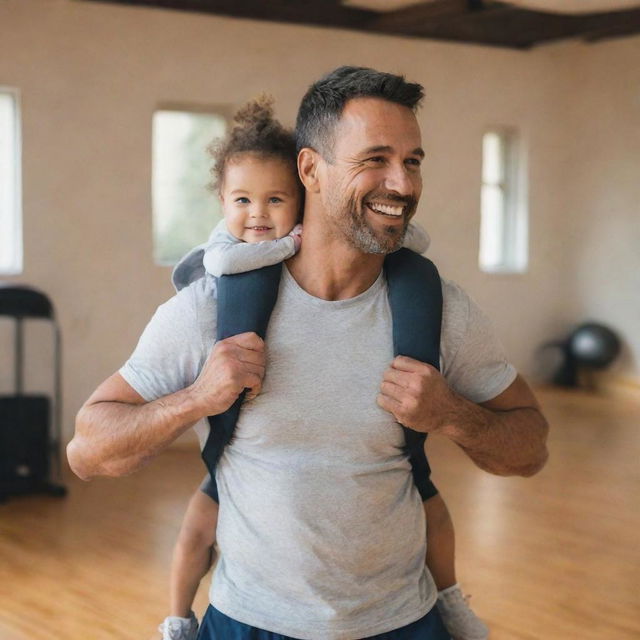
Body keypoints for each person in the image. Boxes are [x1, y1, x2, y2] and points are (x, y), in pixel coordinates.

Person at [68, 66, 549, 640]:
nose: (402, 183)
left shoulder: (440, 310)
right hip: (248, 624)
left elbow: (531, 449)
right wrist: (196, 398)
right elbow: (87, 451)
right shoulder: (211, 311)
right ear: (310, 169)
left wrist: (451, 414)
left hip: (402, 624)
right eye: (375, 159)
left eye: (413, 161)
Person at [158, 96, 487, 640]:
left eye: (275, 199)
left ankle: (451, 598)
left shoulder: (424, 294)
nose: (257, 215)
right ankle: (176, 618)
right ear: (221, 200)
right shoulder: (225, 259)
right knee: (196, 528)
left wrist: (384, 232)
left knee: (434, 509)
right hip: (245, 534)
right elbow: (227, 263)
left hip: (395, 603)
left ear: (305, 192)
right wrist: (293, 242)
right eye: (241, 200)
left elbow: (410, 241)